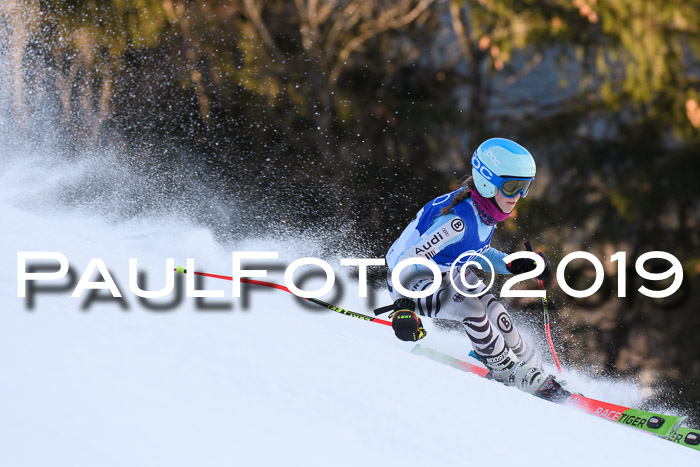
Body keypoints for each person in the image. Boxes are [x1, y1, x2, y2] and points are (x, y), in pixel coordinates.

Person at [385, 137, 569, 402]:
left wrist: (516, 264)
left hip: (448, 272)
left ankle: (536, 372)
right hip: (412, 280)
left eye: (524, 188)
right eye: (511, 187)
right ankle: (504, 369)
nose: (517, 196)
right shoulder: (458, 221)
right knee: (473, 309)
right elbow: (409, 259)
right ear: (486, 181)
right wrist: (402, 307)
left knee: (498, 312)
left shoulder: (485, 210)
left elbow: (477, 253)